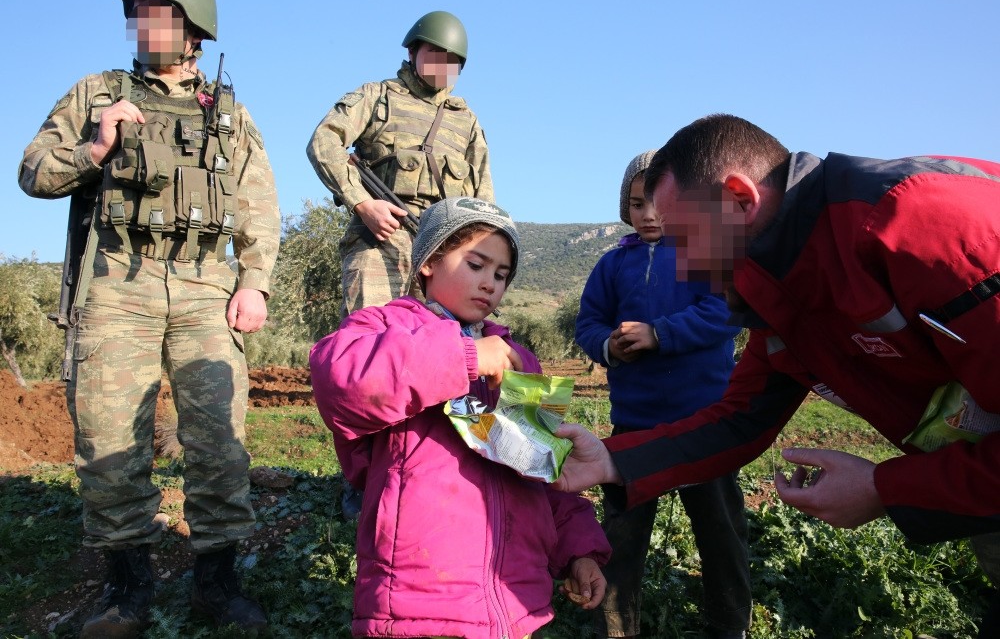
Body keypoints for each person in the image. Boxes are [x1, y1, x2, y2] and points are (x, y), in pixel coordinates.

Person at [552, 113, 1000, 636]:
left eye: (686, 240)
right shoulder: (777, 288)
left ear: (741, 200)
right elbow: (742, 418)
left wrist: (885, 486)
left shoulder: (935, 231)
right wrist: (609, 459)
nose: (685, 268)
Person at [18, 0, 280, 635]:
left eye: (156, 14)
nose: (142, 26)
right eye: (135, 15)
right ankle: (126, 589)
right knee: (110, 440)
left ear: (193, 26)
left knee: (220, 438)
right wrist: (95, 146)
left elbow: (259, 205)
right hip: (117, 279)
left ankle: (216, 583)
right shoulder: (97, 93)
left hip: (203, 284)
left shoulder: (228, 110)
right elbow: (32, 170)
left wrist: (255, 281)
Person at [309, 198, 611, 639]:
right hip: (418, 601)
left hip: (515, 603)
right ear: (429, 262)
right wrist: (466, 357)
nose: (490, 283)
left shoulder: (518, 362)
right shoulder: (384, 330)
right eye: (476, 264)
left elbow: (542, 470)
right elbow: (341, 380)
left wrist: (579, 551)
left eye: (502, 274)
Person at [307, 9, 493, 521]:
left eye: (455, 61)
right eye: (437, 54)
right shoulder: (376, 97)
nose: (445, 67)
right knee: (371, 363)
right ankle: (363, 480)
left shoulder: (466, 121)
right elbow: (323, 142)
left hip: (443, 256)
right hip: (380, 245)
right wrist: (359, 201)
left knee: (455, 358)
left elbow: (484, 199)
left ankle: (441, 472)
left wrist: (482, 262)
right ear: (414, 50)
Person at [575, 150, 750, 639]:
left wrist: (660, 333)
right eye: (636, 204)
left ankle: (729, 626)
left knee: (720, 532)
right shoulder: (612, 266)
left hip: (704, 425)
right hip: (636, 425)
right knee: (622, 539)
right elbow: (587, 323)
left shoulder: (707, 256)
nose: (649, 214)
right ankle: (616, 629)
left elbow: (725, 315)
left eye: (659, 203)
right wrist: (607, 344)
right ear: (624, 208)